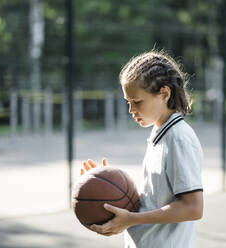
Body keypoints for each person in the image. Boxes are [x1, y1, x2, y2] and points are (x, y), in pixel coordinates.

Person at [81, 50, 204, 248]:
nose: (131, 110)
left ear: (164, 93)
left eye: (137, 102)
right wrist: (102, 183)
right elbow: (156, 201)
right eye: (128, 102)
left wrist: (132, 219)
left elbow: (193, 207)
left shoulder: (178, 138)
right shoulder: (160, 133)